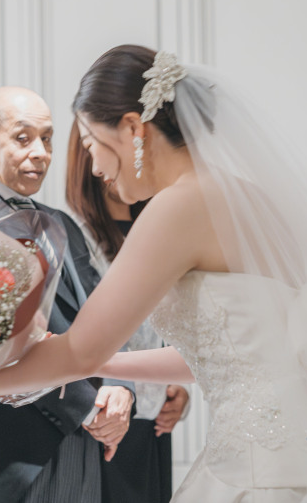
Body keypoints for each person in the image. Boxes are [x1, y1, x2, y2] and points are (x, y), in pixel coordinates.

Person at [0, 44, 307, 501]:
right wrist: (111, 362)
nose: (95, 168)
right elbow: (233, 348)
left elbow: (79, 354)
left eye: (93, 145)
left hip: (264, 475)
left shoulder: (178, 206)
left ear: (133, 129)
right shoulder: (247, 198)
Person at [0, 86, 134, 503]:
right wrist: (90, 408)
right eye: (22, 137)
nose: (40, 152)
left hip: (86, 445)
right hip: (11, 457)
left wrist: (122, 388)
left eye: (47, 138)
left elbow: (109, 313)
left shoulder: (62, 224)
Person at [65, 124, 189, 503]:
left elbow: (175, 324)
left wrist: (179, 388)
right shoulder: (75, 235)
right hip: (104, 421)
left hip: (154, 425)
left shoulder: (162, 227)